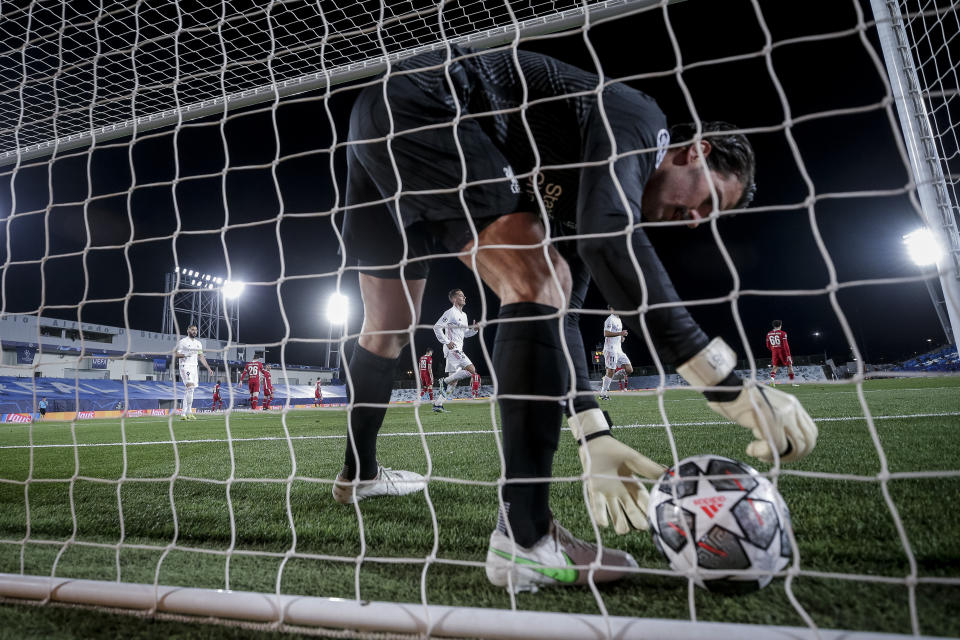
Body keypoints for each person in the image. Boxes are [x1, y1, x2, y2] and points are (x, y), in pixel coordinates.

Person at [336, 45, 817, 592]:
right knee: (536, 278)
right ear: (694, 151)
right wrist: (726, 386)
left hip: (379, 122)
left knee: (389, 328)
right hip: (431, 102)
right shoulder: (642, 121)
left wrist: (591, 431)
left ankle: (359, 476)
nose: (693, 222)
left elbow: (562, 312)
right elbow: (609, 239)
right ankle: (526, 540)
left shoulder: (584, 191)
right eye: (707, 202)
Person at [432, 288, 479, 411]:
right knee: (471, 370)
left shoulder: (464, 315)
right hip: (453, 349)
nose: (464, 297)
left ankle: (438, 405)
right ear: (454, 299)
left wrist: (474, 330)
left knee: (454, 383)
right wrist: (447, 342)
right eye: (461, 295)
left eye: (464, 296)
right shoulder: (450, 312)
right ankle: (444, 380)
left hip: (458, 349)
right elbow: (437, 327)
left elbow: (465, 334)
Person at [175, 325, 214, 421]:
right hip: (185, 366)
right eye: (192, 330)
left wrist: (208, 368)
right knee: (190, 387)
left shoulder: (198, 343)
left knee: (190, 390)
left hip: (194, 368)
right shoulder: (183, 342)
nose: (194, 331)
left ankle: (186, 413)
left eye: (196, 330)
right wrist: (185, 354)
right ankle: (187, 412)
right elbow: (175, 354)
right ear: (188, 330)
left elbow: (201, 356)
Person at [600, 306, 633, 400]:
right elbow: (606, 333)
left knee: (629, 369)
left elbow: (616, 334)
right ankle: (603, 394)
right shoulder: (609, 319)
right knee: (611, 371)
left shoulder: (618, 319)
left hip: (619, 349)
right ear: (611, 309)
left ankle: (606, 379)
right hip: (610, 349)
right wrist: (620, 334)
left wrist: (621, 338)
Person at [766, 320, 798, 386]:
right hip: (783, 351)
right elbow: (786, 345)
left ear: (773, 325)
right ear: (780, 325)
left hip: (774, 351)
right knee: (789, 366)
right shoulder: (783, 333)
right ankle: (792, 382)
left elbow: (768, 345)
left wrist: (773, 349)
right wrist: (788, 355)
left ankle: (772, 380)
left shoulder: (769, 333)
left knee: (775, 367)